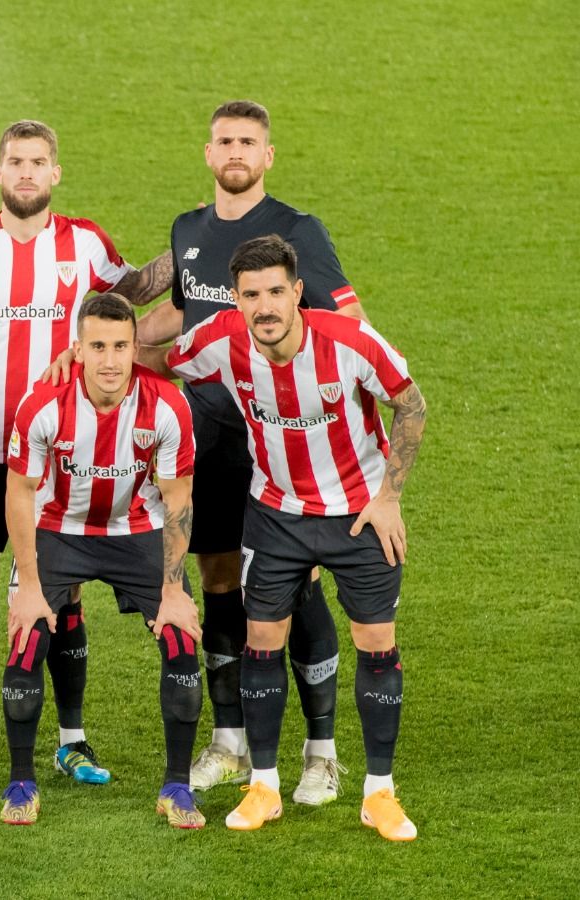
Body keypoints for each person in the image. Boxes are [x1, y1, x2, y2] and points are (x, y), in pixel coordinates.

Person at [0, 119, 171, 782]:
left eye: (38, 162)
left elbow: (133, 293)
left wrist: (194, 246)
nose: (26, 173)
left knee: (63, 588)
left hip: (64, 452)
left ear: (55, 174)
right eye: (15, 162)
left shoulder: (84, 243)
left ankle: (72, 739)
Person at [159, 235, 425, 841]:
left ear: (298, 292)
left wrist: (389, 498)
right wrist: (87, 357)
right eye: (251, 295)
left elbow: (411, 405)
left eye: (276, 291)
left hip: (358, 514)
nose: (265, 307)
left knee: (377, 643)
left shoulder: (351, 343)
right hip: (275, 515)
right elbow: (156, 357)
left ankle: (378, 795)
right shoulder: (219, 340)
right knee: (261, 641)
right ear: (235, 299)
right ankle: (265, 787)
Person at [144, 100, 372, 802]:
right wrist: (110, 346)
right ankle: (231, 741)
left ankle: (321, 752)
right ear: (208, 153)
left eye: (248, 141)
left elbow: (345, 321)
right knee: (218, 580)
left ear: (267, 155)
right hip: (206, 437)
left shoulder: (298, 230)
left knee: (291, 589)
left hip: (280, 442)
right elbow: (181, 315)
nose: (235, 151)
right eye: (224, 141)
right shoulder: (189, 230)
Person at [1, 294, 204, 828]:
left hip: (136, 530)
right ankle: (21, 781)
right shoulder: (42, 404)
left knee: (181, 638)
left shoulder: (166, 406)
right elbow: (20, 494)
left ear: (136, 347)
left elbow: (177, 499)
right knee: (26, 638)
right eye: (97, 347)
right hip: (57, 530)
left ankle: (177, 787)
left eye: (120, 346)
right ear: (78, 349)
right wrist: (27, 584)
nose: (110, 361)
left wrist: (174, 588)